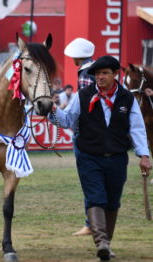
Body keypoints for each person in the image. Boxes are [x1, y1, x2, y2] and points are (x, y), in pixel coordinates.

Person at [49, 55, 152, 261]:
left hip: (117, 157)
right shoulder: (82, 95)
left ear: (115, 74)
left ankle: (107, 243)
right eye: (97, 74)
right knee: (96, 197)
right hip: (88, 155)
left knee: (113, 201)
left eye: (105, 73)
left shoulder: (127, 98)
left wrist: (144, 155)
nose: (100, 77)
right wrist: (51, 110)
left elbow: (138, 128)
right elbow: (68, 120)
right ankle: (101, 243)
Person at [64, 37, 96, 236]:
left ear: (77, 57)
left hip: (86, 133)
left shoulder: (84, 73)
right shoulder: (98, 69)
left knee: (88, 178)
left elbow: (84, 105)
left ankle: (90, 223)